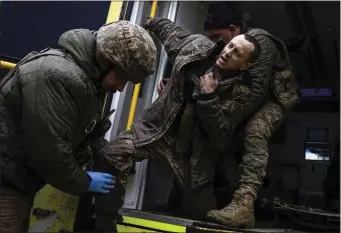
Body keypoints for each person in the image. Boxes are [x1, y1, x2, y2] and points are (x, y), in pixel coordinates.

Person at [98, 15, 287, 221]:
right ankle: (106, 218)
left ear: (244, 66)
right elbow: (170, 32)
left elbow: (221, 135)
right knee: (112, 153)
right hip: (157, 132)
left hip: (191, 156)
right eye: (230, 46)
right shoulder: (196, 47)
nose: (228, 52)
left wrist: (209, 98)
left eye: (236, 53)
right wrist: (151, 21)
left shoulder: (240, 94)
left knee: (205, 216)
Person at [0, 20, 157, 233]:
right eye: (122, 77)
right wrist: (85, 182)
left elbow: (84, 133)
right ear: (105, 60)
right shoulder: (56, 76)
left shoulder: (87, 81)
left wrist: (110, 155)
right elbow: (49, 155)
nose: (121, 87)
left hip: (15, 180)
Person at [200, 3, 300, 228]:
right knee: (227, 141)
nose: (216, 44)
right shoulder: (230, 46)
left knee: (255, 129)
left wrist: (227, 124)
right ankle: (230, 199)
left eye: (218, 36)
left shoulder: (260, 42)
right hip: (252, 94)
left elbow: (256, 93)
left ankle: (244, 206)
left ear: (234, 29)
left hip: (275, 99)